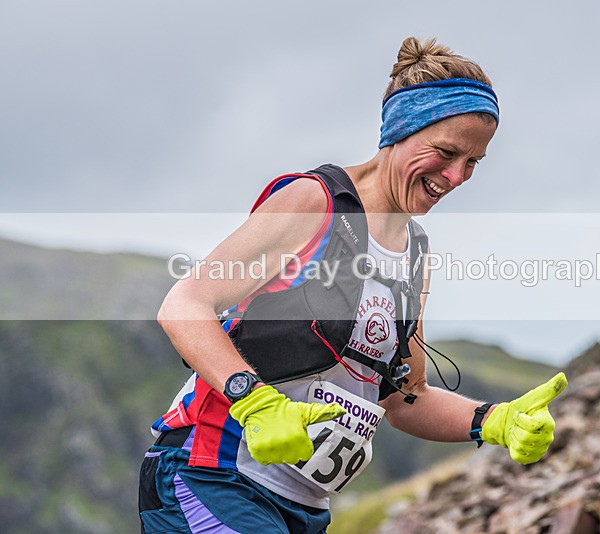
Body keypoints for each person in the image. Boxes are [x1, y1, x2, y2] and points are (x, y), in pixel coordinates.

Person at [139, 36, 567, 533]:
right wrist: (254, 401)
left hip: (303, 507)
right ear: (401, 130)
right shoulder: (314, 202)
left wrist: (493, 420)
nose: (456, 177)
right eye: (446, 152)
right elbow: (185, 304)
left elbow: (406, 398)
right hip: (210, 472)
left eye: (473, 162)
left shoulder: (415, 254)